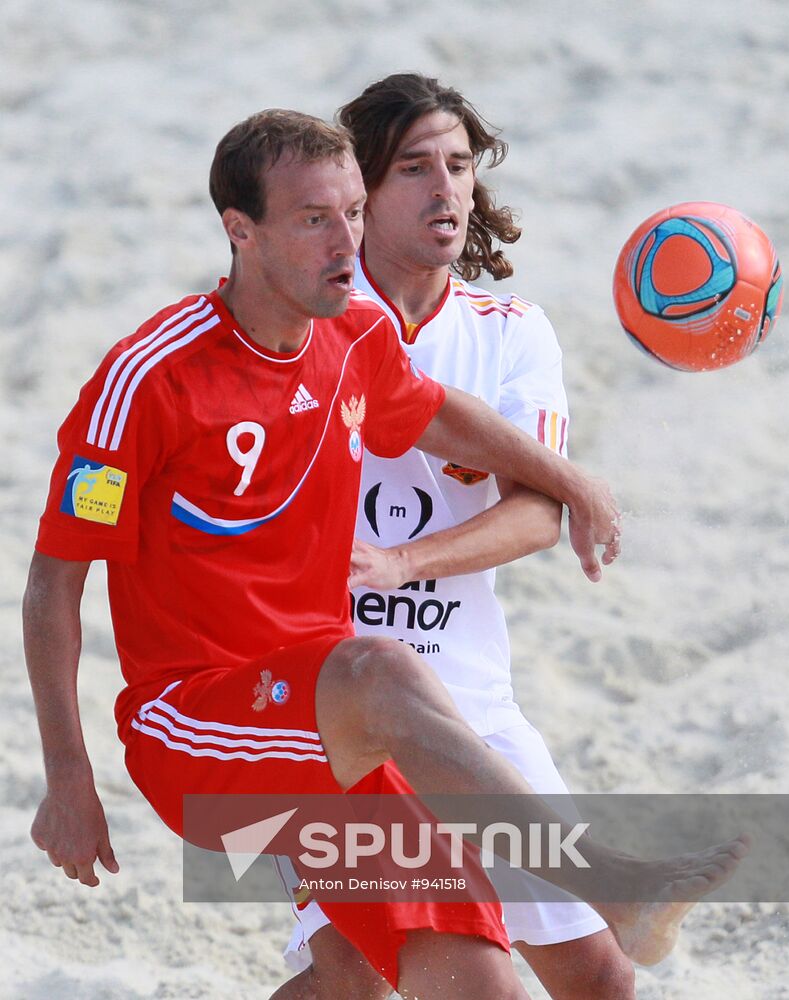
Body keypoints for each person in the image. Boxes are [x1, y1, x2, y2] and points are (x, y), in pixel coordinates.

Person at [24, 108, 745, 1000]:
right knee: (379, 665)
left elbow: (437, 413)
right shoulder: (148, 378)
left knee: (467, 986)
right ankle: (614, 881)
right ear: (240, 230)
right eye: (313, 219)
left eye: (354, 214)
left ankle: (606, 891)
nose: (345, 242)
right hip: (197, 730)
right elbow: (55, 582)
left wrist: (570, 479)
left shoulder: (355, 335)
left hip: (341, 731)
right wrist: (68, 778)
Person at [276, 73, 634, 1000]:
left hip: (471, 701)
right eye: (414, 168)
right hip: (326, 712)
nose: (445, 189)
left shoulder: (512, 332)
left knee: (600, 977)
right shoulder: (295, 322)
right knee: (360, 976)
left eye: (460, 165)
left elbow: (535, 513)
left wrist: (403, 562)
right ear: (361, 192)